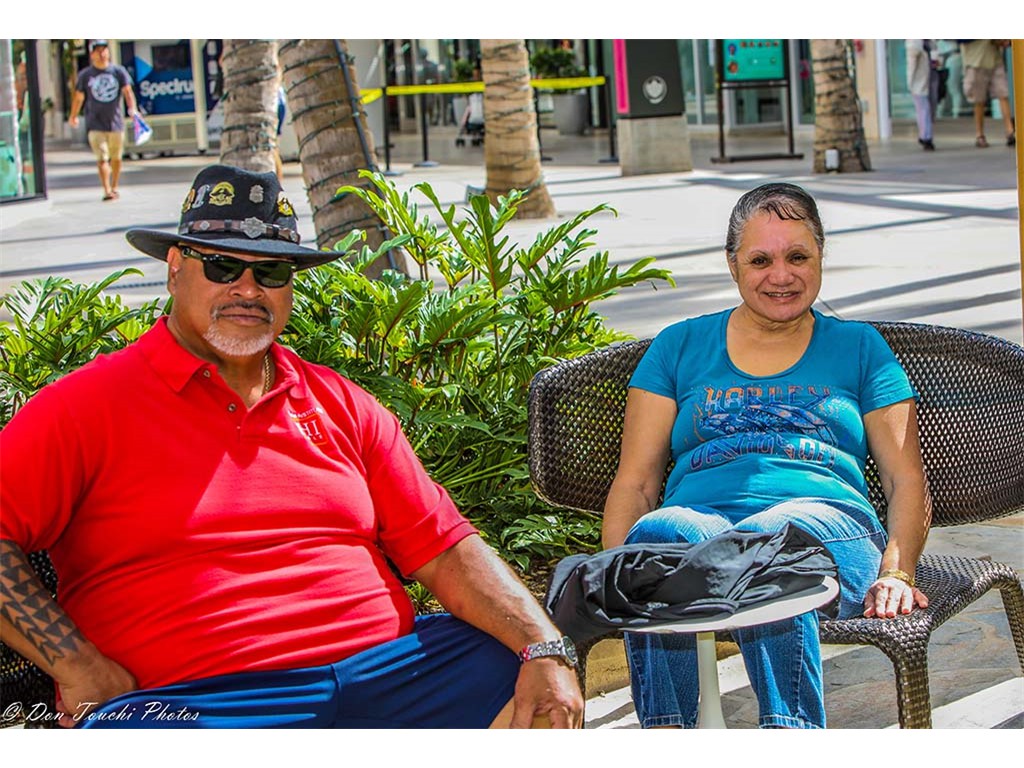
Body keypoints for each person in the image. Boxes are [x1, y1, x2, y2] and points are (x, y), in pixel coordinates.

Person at [0, 164, 583, 729]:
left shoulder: (340, 402)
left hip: (386, 676)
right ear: (175, 269)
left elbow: (446, 547)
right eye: (223, 266)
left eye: (272, 272)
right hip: (201, 703)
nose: (247, 289)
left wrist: (544, 646)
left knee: (527, 676)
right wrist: (77, 664)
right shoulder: (85, 407)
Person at [602, 183, 932, 729]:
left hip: (824, 533)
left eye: (797, 256)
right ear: (733, 264)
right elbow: (636, 483)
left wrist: (898, 570)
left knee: (769, 537)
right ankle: (666, 736)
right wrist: (614, 572)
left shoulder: (860, 348)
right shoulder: (679, 346)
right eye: (761, 260)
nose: (782, 276)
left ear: (820, 256)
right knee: (658, 533)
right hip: (700, 531)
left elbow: (905, 479)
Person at [69, 40, 138, 201]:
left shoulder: (118, 72)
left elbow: (128, 92)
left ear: (108, 52)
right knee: (102, 158)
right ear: (92, 54)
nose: (101, 54)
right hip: (95, 124)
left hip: (115, 123)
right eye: (97, 51)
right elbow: (79, 97)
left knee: (116, 158)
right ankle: (107, 189)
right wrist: (73, 115)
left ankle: (115, 186)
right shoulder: (86, 75)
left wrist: (132, 109)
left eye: (103, 50)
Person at [959, 39, 1015, 148]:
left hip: (994, 60)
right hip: (976, 61)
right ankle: (980, 134)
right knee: (979, 100)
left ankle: (1010, 131)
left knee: (1003, 94)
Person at [906, 40, 936, 150]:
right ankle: (925, 135)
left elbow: (912, 64)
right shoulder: (925, 44)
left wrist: (910, 82)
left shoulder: (914, 43)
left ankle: (926, 136)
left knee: (922, 108)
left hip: (920, 80)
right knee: (924, 108)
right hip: (923, 78)